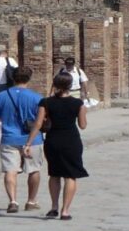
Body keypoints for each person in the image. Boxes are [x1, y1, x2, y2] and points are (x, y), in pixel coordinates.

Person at [25, 72, 88, 221]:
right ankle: (65, 211)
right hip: (71, 141)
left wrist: (28, 143)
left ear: (55, 84)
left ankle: (53, 207)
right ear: (70, 86)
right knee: (70, 175)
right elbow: (83, 125)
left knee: (54, 174)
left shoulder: (45, 102)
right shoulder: (78, 103)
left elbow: (38, 124)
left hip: (53, 140)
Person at [0, 66, 44, 213]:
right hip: (32, 139)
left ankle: (13, 201)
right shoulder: (37, 98)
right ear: (29, 79)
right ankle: (31, 201)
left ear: (12, 78)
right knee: (34, 170)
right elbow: (41, 121)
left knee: (10, 170)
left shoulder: (0, 97)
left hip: (9, 138)